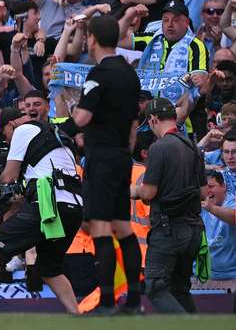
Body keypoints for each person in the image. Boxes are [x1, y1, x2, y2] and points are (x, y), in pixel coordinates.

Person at [0, 106, 83, 314]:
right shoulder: (53, 136)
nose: (7, 141)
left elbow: (8, 177)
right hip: (73, 208)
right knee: (50, 268)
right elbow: (27, 185)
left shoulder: (24, 129)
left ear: (11, 124)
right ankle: (77, 314)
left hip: (50, 204)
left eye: (5, 135)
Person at [72, 15, 145, 313]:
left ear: (91, 39)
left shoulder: (98, 75)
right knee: (122, 226)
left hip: (101, 157)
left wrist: (62, 129)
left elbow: (82, 118)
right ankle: (135, 299)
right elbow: (132, 126)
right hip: (121, 157)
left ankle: (105, 300)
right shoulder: (131, 75)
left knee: (100, 226)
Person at [132, 97, 207, 313]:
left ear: (154, 119)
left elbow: (148, 193)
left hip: (168, 230)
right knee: (178, 288)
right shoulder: (192, 146)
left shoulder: (159, 147)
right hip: (193, 229)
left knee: (155, 287)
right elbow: (203, 192)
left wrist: (131, 191)